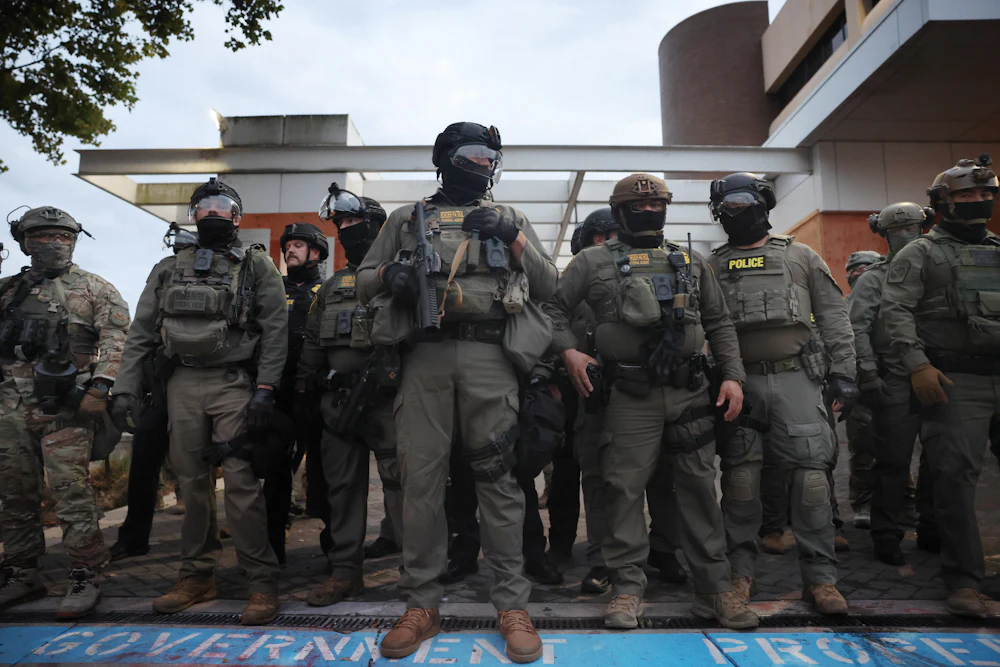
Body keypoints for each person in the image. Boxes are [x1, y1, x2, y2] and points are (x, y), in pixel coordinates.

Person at [357, 122, 555, 663]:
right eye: (472, 153)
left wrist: (511, 236)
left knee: (498, 480)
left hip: (492, 356)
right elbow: (362, 279)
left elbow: (549, 284)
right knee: (420, 481)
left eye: (490, 156)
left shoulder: (510, 218)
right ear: (444, 158)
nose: (483, 163)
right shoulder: (406, 218)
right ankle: (421, 603)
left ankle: (512, 605)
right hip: (424, 356)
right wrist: (391, 275)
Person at [549, 173, 755, 630]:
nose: (649, 212)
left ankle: (714, 589)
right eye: (638, 207)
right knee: (623, 489)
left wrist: (733, 377)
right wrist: (569, 352)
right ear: (619, 212)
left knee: (699, 488)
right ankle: (627, 587)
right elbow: (553, 310)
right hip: (628, 395)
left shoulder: (690, 261)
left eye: (656, 205)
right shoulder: (590, 261)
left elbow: (719, 322)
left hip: (689, 391)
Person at [111, 177, 286, 626]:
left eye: (222, 205)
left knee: (241, 483)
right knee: (191, 484)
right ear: (193, 216)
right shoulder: (169, 268)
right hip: (182, 383)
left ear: (236, 216)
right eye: (203, 206)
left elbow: (275, 330)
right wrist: (124, 388)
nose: (212, 212)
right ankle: (196, 575)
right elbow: (141, 332)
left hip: (233, 383)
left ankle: (260, 580)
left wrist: (266, 389)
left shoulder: (256, 265)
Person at [708, 172, 858, 616]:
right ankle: (739, 576)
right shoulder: (711, 266)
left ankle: (821, 579)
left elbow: (833, 315)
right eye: (729, 206)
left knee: (811, 481)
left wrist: (844, 373)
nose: (737, 212)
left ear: (763, 205)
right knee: (739, 483)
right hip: (739, 384)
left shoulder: (800, 256)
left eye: (744, 202)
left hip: (798, 379)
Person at [879, 155, 1000, 618]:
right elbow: (895, 311)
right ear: (943, 202)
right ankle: (965, 581)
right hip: (955, 380)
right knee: (954, 481)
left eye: (986, 194)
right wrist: (917, 364)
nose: (978, 201)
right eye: (966, 194)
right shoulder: (920, 252)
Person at [0, 206, 130, 618]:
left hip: (65, 406)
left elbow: (117, 340)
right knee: (14, 493)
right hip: (10, 405)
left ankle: (85, 574)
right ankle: (21, 571)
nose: (53, 243)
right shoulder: (8, 290)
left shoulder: (95, 288)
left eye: (62, 236)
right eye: (42, 236)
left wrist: (101, 387)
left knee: (71, 492)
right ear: (24, 242)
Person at [298, 187, 406, 606]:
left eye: (354, 222)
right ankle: (345, 572)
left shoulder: (401, 278)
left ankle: (416, 573)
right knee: (342, 490)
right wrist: (306, 388)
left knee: (402, 486)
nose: (346, 230)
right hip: (339, 404)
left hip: (390, 402)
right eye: (340, 224)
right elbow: (313, 341)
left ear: (378, 227)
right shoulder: (332, 286)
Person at [850, 203, 938, 566]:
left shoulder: (938, 269)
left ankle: (931, 527)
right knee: (892, 462)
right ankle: (886, 533)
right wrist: (869, 373)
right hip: (895, 378)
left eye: (911, 229)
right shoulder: (873, 279)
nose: (904, 236)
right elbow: (858, 328)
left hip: (940, 375)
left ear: (923, 228)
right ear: (884, 236)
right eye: (896, 231)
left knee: (939, 460)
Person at [109, 227, 198, 562]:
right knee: (144, 460)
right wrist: (125, 390)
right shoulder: (164, 273)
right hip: (161, 386)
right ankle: (134, 537)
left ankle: (209, 537)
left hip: (208, 383)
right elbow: (140, 336)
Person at [262, 221, 329, 565]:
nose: (290, 250)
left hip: (318, 393)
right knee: (276, 469)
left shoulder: (328, 291)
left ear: (316, 252)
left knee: (325, 472)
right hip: (280, 393)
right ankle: (273, 550)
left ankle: (335, 552)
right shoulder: (273, 290)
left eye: (298, 246)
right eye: (287, 246)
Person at [842, 250, 883, 530]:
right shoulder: (841, 307)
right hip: (859, 388)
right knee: (863, 449)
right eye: (855, 269)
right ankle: (863, 503)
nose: (861, 272)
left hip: (892, 381)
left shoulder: (893, 302)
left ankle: (905, 504)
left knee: (896, 450)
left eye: (867, 267)